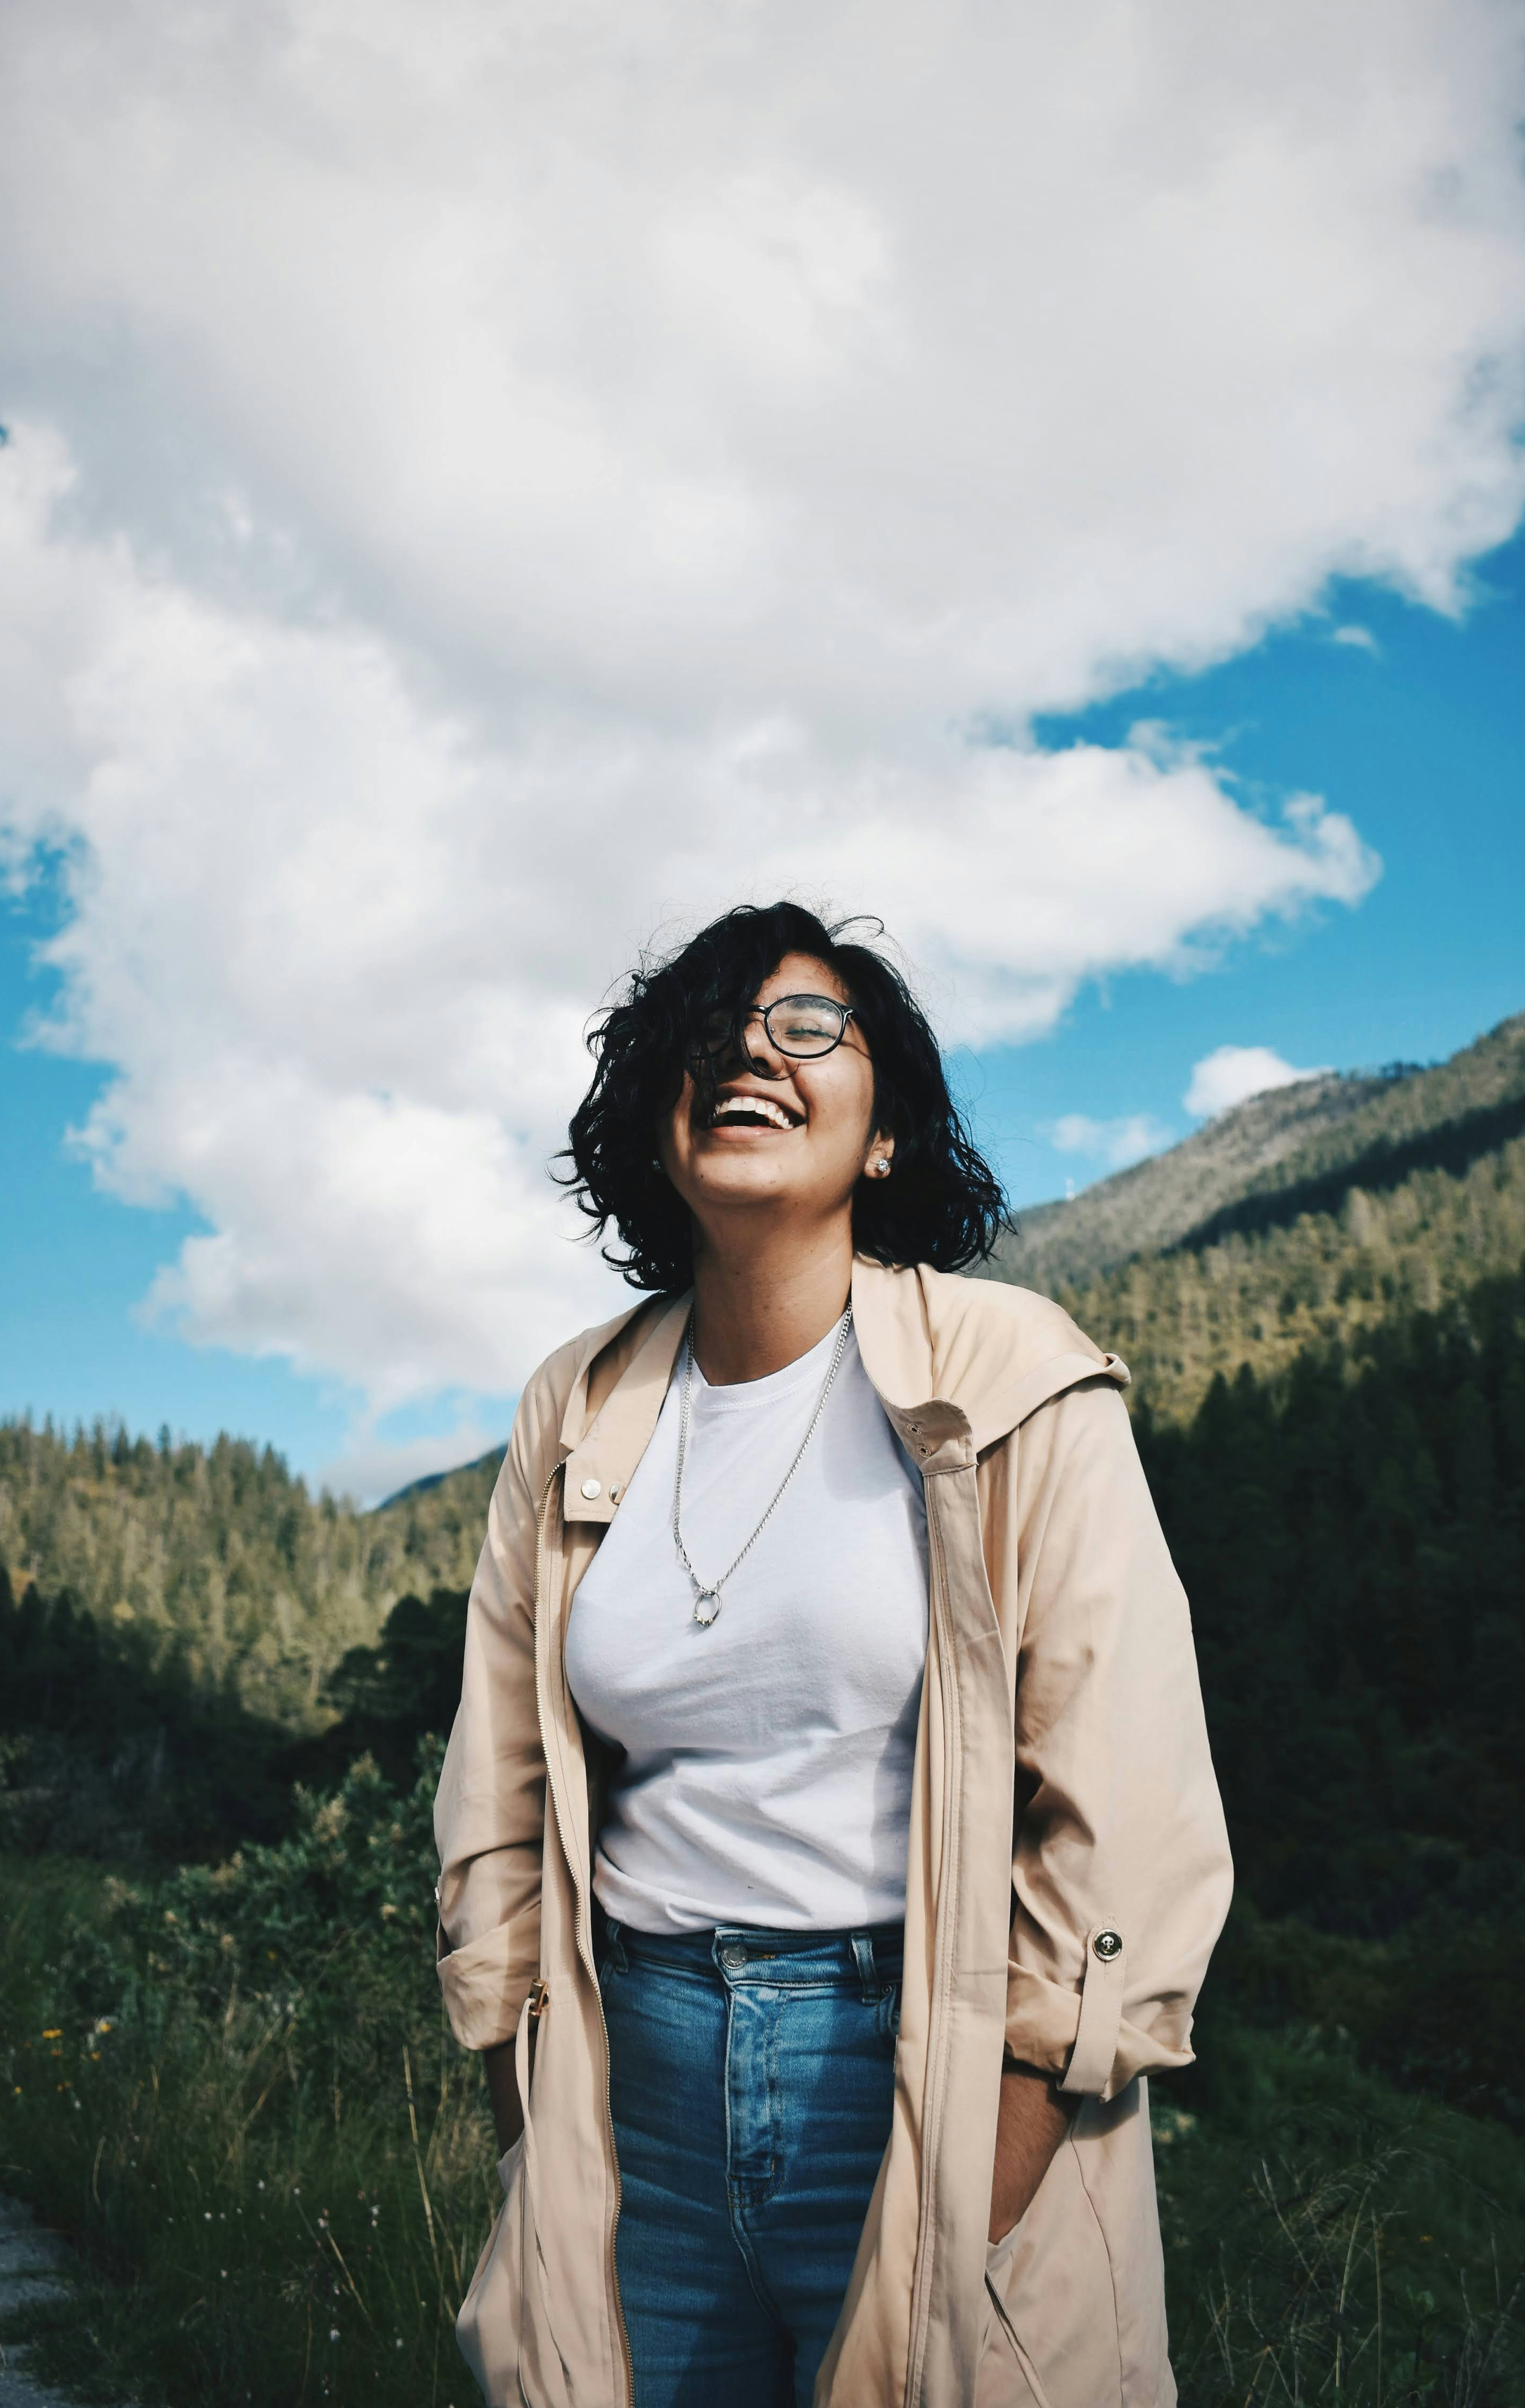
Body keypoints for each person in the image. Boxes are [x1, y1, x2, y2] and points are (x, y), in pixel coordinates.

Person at [434, 901, 1232, 2408]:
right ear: (654, 1130)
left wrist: (977, 2174)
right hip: (633, 2095)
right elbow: (497, 1787)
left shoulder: (1011, 1377)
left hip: (921, 2076)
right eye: (711, 1031)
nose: (750, 1048)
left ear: (884, 1137)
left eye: (809, 1025)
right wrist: (528, 2110)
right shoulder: (578, 1403)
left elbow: (1124, 1813)